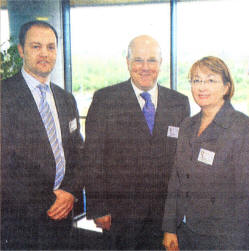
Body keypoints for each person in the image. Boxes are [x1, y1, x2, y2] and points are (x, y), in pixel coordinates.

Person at [84, 35, 190, 250]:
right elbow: (92, 156)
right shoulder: (106, 100)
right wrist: (98, 207)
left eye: (152, 60)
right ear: (127, 62)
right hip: (120, 216)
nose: (145, 67)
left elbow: (182, 163)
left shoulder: (179, 103)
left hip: (164, 217)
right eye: (138, 60)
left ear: (161, 63)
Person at [162, 56, 249, 250]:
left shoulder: (243, 127)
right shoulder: (187, 125)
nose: (202, 87)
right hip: (186, 232)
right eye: (196, 80)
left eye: (210, 80)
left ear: (226, 87)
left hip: (224, 238)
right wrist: (169, 227)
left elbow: (246, 196)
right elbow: (177, 180)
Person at [1, 20, 83, 249]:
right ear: (21, 50)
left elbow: (79, 153)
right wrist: (48, 201)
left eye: (50, 47)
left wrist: (69, 192)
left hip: (63, 219)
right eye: (36, 46)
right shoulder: (3, 96)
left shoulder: (66, 99)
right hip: (20, 223)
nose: (44, 53)